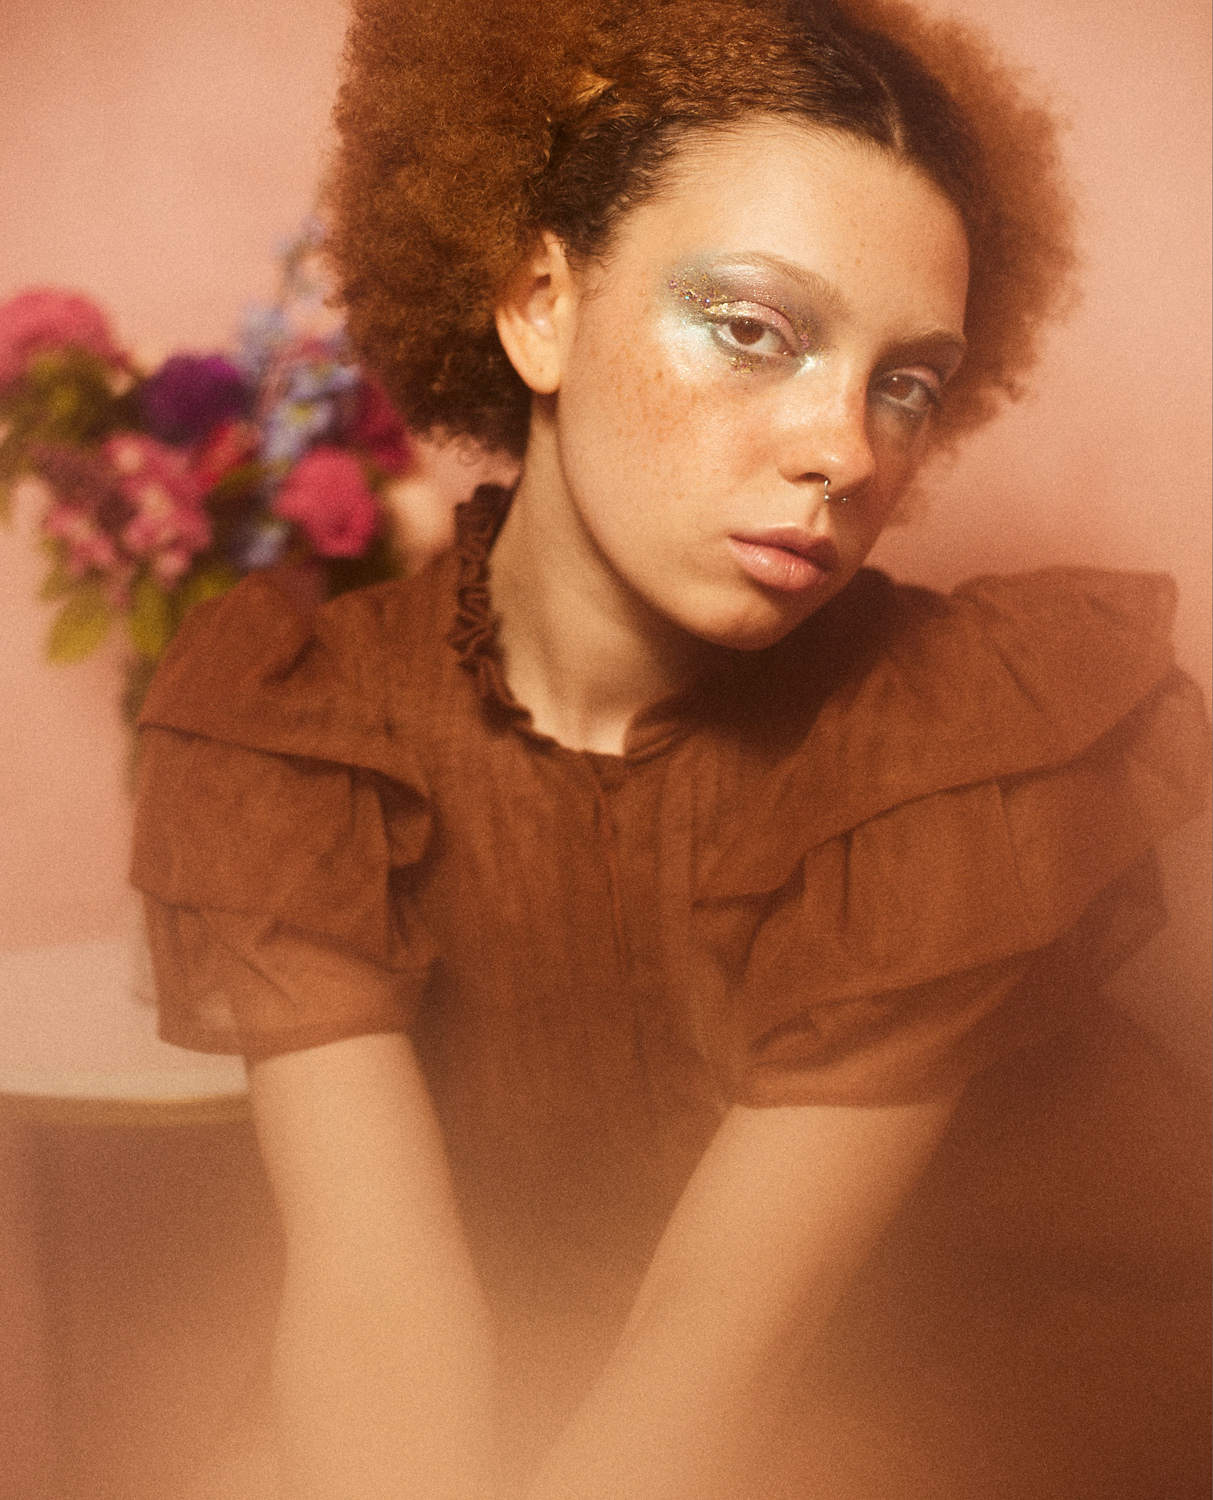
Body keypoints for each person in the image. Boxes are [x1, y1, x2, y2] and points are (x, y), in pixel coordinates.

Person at [131, 2, 1211, 1497]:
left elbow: (708, 1384)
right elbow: (377, 1309)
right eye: (754, 331)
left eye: (906, 381)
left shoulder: (947, 745)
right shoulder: (302, 723)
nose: (847, 449)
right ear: (539, 304)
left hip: (907, 1392)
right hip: (530, 1369)